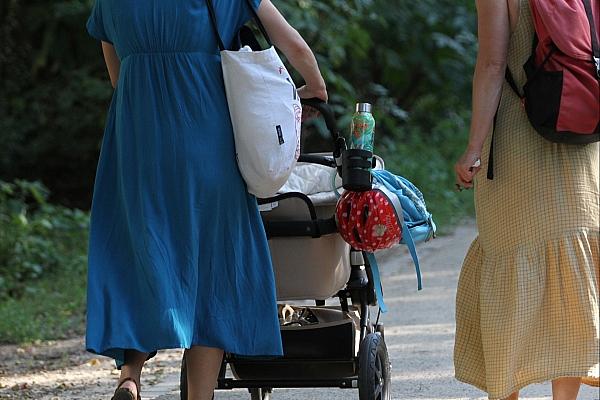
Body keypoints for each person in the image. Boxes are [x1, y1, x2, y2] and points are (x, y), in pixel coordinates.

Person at [84, 1, 327, 399]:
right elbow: (293, 45)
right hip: (206, 137)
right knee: (214, 267)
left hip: (137, 144)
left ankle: (131, 374)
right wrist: (315, 88)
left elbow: (116, 78)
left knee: (142, 257)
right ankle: (200, 396)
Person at [453, 0, 599, 399]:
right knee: (572, 275)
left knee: (509, 264)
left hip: (520, 139)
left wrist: (473, 148)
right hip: (581, 134)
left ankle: (507, 391)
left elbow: (492, 66)